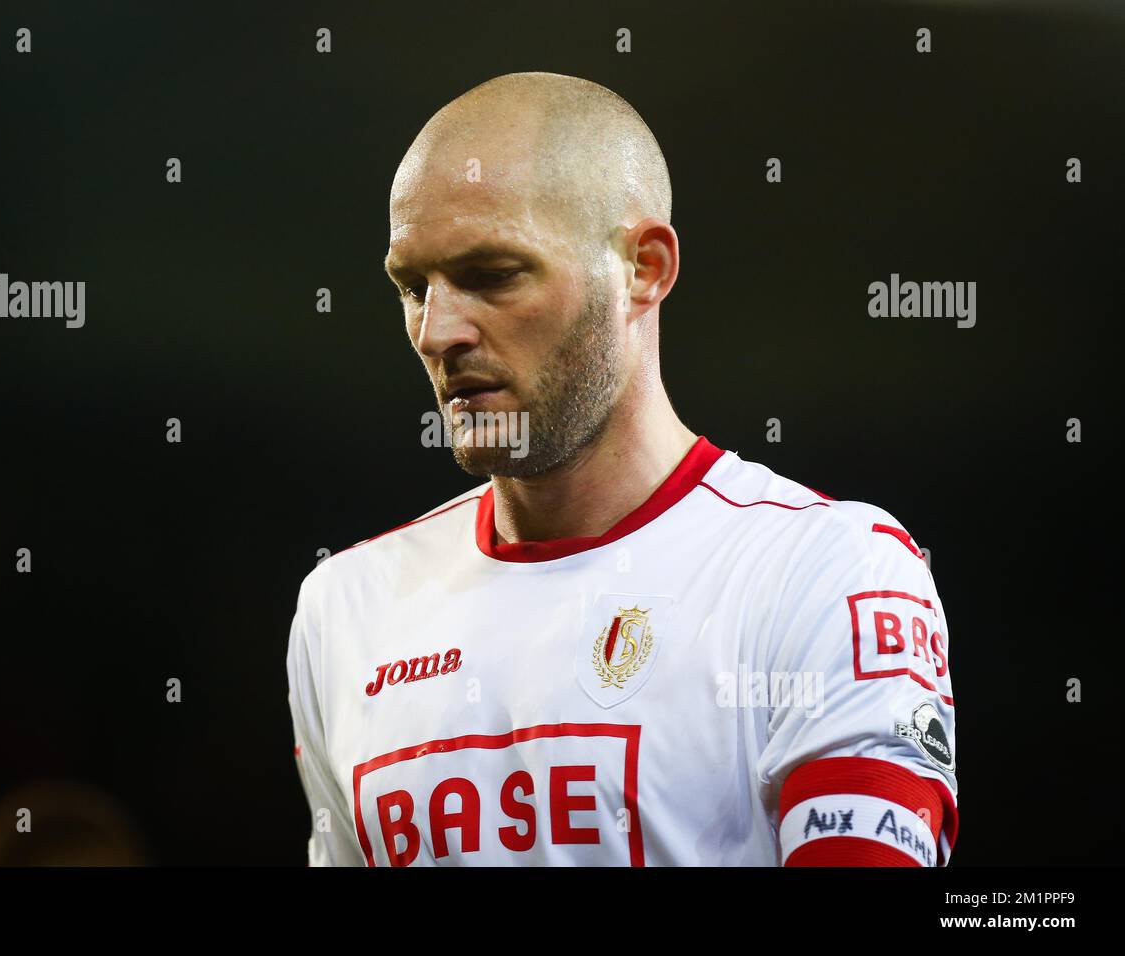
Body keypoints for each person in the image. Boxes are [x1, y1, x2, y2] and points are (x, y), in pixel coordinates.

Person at [286, 71, 957, 866]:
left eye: (492, 275)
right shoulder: (346, 608)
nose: (437, 332)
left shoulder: (826, 574)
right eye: (411, 286)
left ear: (644, 267)